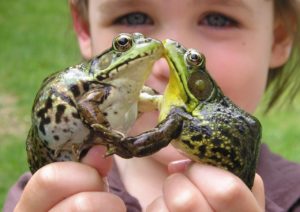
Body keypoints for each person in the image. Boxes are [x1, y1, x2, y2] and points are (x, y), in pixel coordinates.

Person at [4, 0, 300, 211]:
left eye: (218, 19)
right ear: (83, 27)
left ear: (279, 37)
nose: (164, 62)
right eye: (133, 17)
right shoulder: (41, 193)